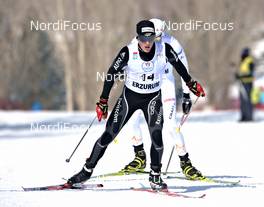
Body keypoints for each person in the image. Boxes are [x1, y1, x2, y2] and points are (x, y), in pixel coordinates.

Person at [67, 20, 205, 190]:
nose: (147, 43)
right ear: (137, 37)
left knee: (157, 139)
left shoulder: (164, 50)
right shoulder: (128, 52)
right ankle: (86, 171)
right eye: (143, 38)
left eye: (150, 38)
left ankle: (155, 176)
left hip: (152, 99)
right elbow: (111, 73)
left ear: (155, 37)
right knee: (108, 135)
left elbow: (181, 68)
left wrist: (191, 84)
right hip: (129, 98)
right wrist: (103, 100)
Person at [121, 18, 205, 180]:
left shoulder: (172, 44)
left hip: (165, 84)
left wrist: (186, 95)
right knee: (131, 119)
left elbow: (184, 69)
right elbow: (129, 61)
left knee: (171, 124)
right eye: (151, 36)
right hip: (144, 86)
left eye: (157, 37)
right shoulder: (138, 40)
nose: (152, 42)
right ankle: (139, 156)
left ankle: (185, 163)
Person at [235, 47, 255, 122]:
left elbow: (250, 73)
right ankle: (243, 116)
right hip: (242, 83)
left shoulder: (249, 61)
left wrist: (241, 76)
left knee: (247, 100)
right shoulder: (242, 61)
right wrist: (237, 76)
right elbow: (241, 72)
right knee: (242, 100)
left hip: (248, 83)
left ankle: (249, 117)